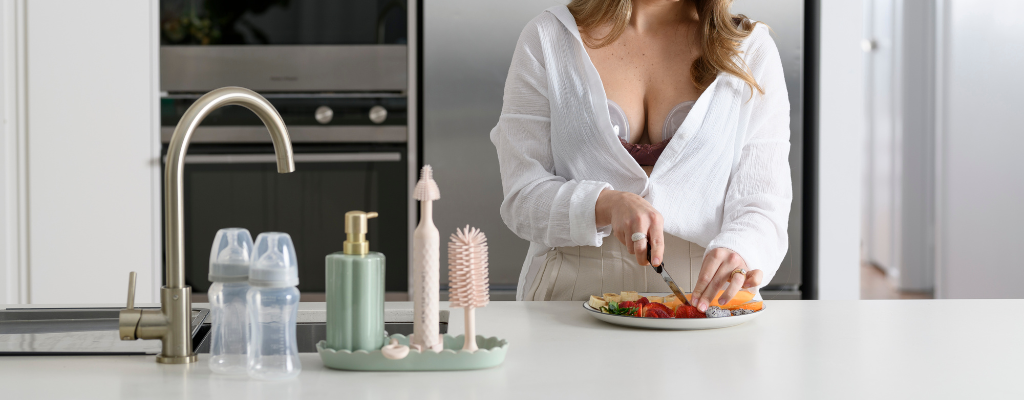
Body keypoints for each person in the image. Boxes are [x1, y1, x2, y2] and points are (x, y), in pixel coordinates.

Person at [490, 0, 792, 311]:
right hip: (570, 295)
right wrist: (605, 204)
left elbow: (764, 202)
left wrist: (741, 249)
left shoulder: (749, 48)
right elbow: (522, 197)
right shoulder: (548, 37)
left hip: (704, 299)